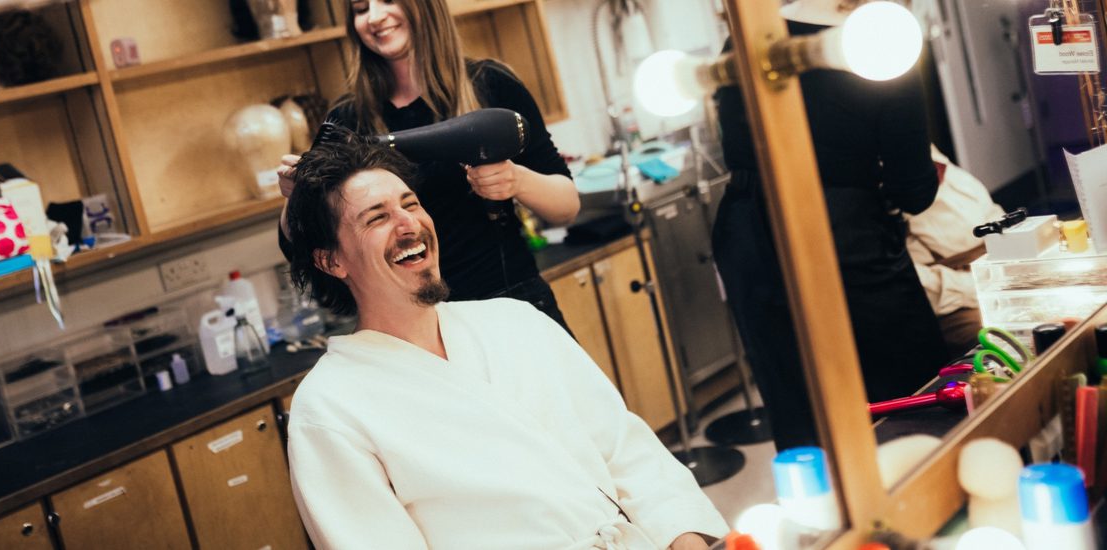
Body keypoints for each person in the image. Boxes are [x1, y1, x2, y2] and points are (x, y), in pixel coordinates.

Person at [283, 134, 728, 549]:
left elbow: (628, 452)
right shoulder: (330, 409)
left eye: (411, 204)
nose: (408, 224)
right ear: (332, 261)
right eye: (377, 218)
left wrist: (684, 539)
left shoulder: (516, 322)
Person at [711, 0, 948, 449]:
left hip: (745, 231)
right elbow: (913, 190)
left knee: (799, 407)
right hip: (842, 227)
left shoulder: (751, 37)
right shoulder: (881, 40)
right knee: (912, 398)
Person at [276, 0, 579, 328]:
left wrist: (516, 180)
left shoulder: (491, 84)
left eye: (388, 1)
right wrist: (295, 195)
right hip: (416, 326)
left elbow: (567, 207)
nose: (374, 17)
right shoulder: (347, 120)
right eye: (361, 9)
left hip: (513, 305)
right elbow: (302, 245)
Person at [905, 145, 1006, 356]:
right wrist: (979, 288)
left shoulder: (945, 168)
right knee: (1004, 336)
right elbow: (912, 280)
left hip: (996, 277)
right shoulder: (885, 196)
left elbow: (995, 216)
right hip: (952, 305)